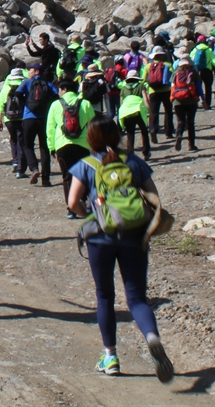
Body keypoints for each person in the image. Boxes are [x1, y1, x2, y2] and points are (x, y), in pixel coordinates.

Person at [67, 118, 174, 382]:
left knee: (105, 296)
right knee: (137, 297)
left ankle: (111, 357)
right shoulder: (133, 162)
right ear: (117, 136)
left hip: (100, 239)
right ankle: (152, 337)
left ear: (90, 139)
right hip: (134, 236)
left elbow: (73, 203)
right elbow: (154, 199)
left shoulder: (87, 165)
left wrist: (91, 215)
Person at [46, 77, 94, 218]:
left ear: (64, 89)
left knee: (67, 177)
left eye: (60, 89)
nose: (59, 92)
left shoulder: (55, 105)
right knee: (83, 175)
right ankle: (82, 202)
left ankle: (71, 208)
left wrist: (52, 147)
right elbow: (92, 125)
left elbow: (50, 128)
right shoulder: (85, 103)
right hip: (83, 145)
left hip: (62, 145)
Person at [15, 61, 57, 186]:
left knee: (27, 145)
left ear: (37, 71)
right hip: (44, 118)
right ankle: (46, 179)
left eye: (30, 70)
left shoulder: (27, 83)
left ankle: (34, 168)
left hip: (29, 117)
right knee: (44, 148)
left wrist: (25, 103)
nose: (28, 72)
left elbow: (17, 94)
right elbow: (56, 96)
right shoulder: (47, 84)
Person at [0, 67, 29, 177]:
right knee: (21, 141)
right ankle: (21, 168)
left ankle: (15, 161)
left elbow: (1, 104)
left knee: (13, 140)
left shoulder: (6, 88)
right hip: (22, 118)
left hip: (9, 119)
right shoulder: (24, 85)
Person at [117, 69, 151, 159]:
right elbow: (145, 99)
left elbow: (121, 103)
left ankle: (130, 154)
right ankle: (146, 152)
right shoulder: (141, 86)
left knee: (130, 134)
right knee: (144, 131)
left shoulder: (123, 88)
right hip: (138, 111)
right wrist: (150, 110)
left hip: (126, 112)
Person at [170, 56, 201, 151]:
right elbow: (199, 87)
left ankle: (178, 135)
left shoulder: (175, 73)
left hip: (178, 101)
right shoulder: (194, 73)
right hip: (191, 100)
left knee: (180, 121)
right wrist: (202, 99)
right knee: (190, 123)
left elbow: (172, 86)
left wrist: (172, 98)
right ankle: (191, 145)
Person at [144, 47, 173, 143]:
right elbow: (172, 78)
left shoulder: (148, 66)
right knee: (168, 111)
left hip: (153, 91)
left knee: (154, 112)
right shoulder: (168, 65)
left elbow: (143, 80)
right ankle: (168, 132)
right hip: (166, 90)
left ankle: (153, 129)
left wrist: (148, 88)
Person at [190, 34, 215, 110]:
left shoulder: (195, 50)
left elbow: (191, 59)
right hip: (207, 70)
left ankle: (196, 102)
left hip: (197, 71)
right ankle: (207, 104)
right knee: (208, 88)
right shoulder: (209, 49)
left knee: (197, 87)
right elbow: (214, 60)